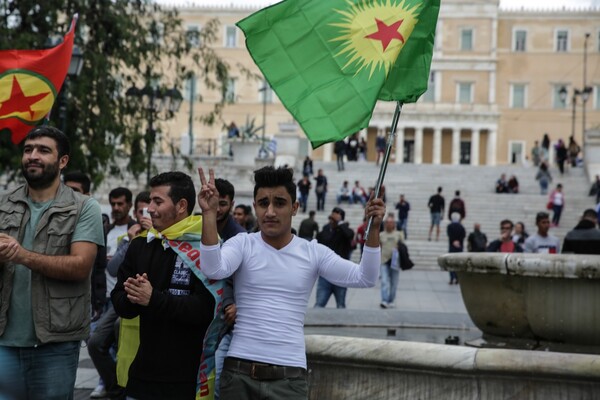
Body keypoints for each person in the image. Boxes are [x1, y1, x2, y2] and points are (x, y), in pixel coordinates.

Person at [197, 166, 384, 400]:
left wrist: (374, 228)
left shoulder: (312, 252)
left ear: (295, 207)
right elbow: (213, 268)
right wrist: (209, 214)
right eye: (263, 203)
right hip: (238, 375)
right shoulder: (242, 244)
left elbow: (365, 277)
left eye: (279, 203)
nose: (270, 212)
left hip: (289, 379)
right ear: (255, 206)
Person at [0, 126, 104, 399]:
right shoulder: (2, 203)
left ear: (63, 161)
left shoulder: (84, 207)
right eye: (28, 150)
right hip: (3, 342)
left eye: (43, 150)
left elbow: (80, 266)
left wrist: (22, 255)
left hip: (55, 344)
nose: (33, 156)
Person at [112, 172, 220, 399]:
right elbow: (120, 301)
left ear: (181, 206)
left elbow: (206, 309)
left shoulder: (206, 247)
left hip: (188, 381)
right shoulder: (140, 245)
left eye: (157, 202)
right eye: (150, 201)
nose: (149, 209)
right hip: (141, 378)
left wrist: (154, 299)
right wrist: (134, 295)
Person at [90, 190, 151, 400]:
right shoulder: (130, 236)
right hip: (122, 299)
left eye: (149, 211)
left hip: (148, 302)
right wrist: (132, 242)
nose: (146, 216)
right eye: (142, 212)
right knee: (96, 342)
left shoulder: (163, 237)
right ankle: (116, 388)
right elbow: (113, 268)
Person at [63, 171, 110, 399]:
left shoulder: (93, 221)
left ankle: (109, 383)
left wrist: (97, 300)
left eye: (75, 191)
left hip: (86, 302)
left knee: (94, 344)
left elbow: (98, 267)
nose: (69, 196)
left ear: (87, 195)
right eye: (66, 190)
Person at [314, 207, 356, 308]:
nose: (332, 221)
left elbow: (350, 235)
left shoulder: (345, 230)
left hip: (341, 274)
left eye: (335, 219)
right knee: (319, 304)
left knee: (341, 305)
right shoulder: (326, 229)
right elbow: (322, 240)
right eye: (332, 218)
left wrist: (340, 224)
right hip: (325, 274)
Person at [379, 214, 404, 308]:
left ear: (394, 224)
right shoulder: (381, 234)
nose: (389, 224)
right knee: (384, 281)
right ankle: (384, 300)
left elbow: (403, 246)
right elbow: (379, 247)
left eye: (391, 222)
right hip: (384, 261)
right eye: (387, 222)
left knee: (394, 283)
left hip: (395, 262)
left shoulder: (399, 234)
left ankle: (391, 300)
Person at [446, 212, 465, 284]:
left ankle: (452, 278)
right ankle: (457, 278)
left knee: (451, 263)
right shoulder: (461, 227)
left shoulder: (449, 226)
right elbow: (463, 235)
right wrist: (458, 241)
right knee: (458, 263)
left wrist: (453, 241)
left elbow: (449, 234)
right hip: (459, 246)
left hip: (452, 246)